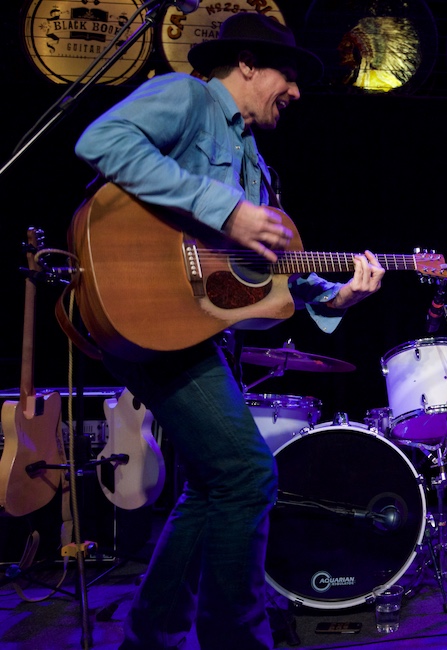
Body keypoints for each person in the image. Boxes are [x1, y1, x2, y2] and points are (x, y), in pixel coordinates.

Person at [73, 13, 385, 649]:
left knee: (214, 486)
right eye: (288, 75)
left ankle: (151, 636)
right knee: (248, 475)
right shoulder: (188, 97)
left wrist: (340, 295)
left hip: (189, 330)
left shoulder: (257, 164)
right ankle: (235, 638)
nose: (295, 92)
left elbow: (266, 275)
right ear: (245, 64)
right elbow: (102, 140)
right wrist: (226, 209)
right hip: (141, 306)